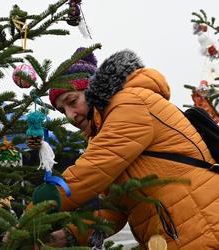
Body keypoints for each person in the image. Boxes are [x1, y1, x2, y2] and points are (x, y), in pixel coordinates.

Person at [34, 48, 219, 249]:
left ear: (92, 90)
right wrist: (67, 235)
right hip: (178, 236)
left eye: (72, 102)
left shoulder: (130, 102)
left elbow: (89, 172)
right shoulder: (105, 130)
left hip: (205, 228)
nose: (71, 116)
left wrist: (34, 211)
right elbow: (114, 207)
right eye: (63, 111)